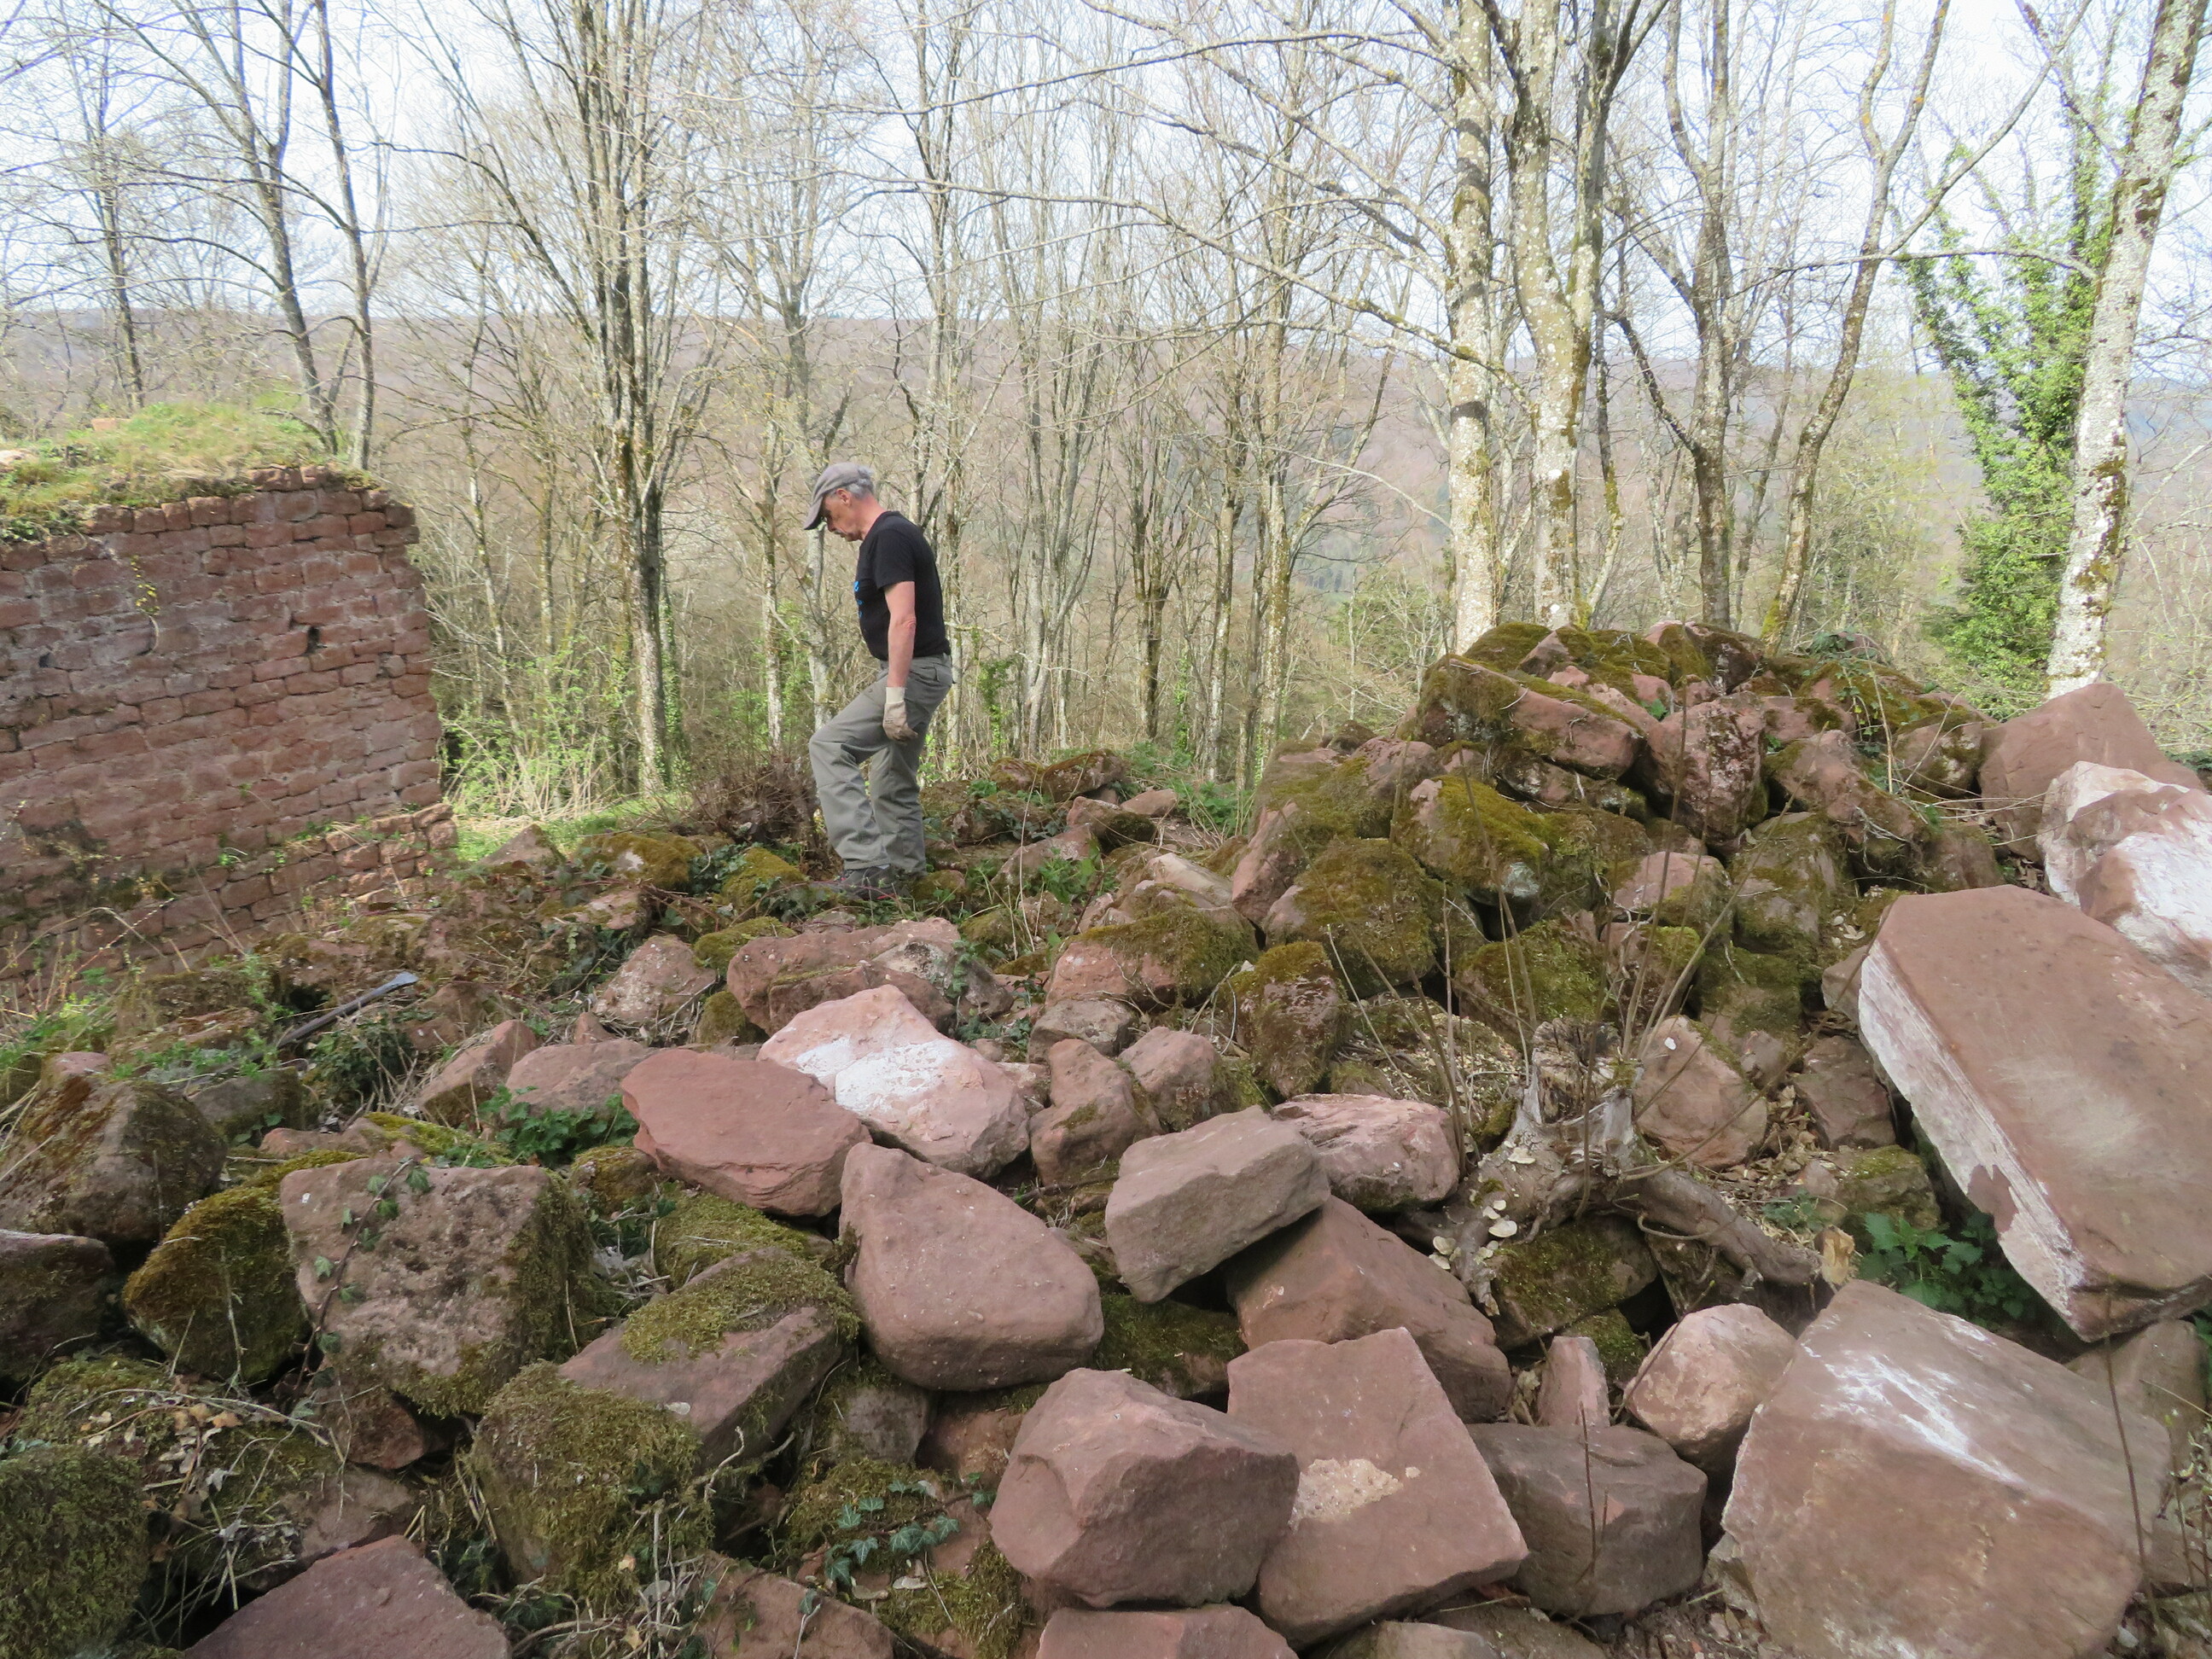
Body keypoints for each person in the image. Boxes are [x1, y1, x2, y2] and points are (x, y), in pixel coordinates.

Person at [802, 462, 955, 899]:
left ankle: (866, 867)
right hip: (920, 669)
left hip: (913, 671)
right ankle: (904, 880)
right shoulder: (889, 536)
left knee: (830, 745)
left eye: (828, 516)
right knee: (891, 780)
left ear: (844, 496)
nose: (831, 528)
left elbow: (904, 619)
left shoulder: (889, 536)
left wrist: (895, 695)